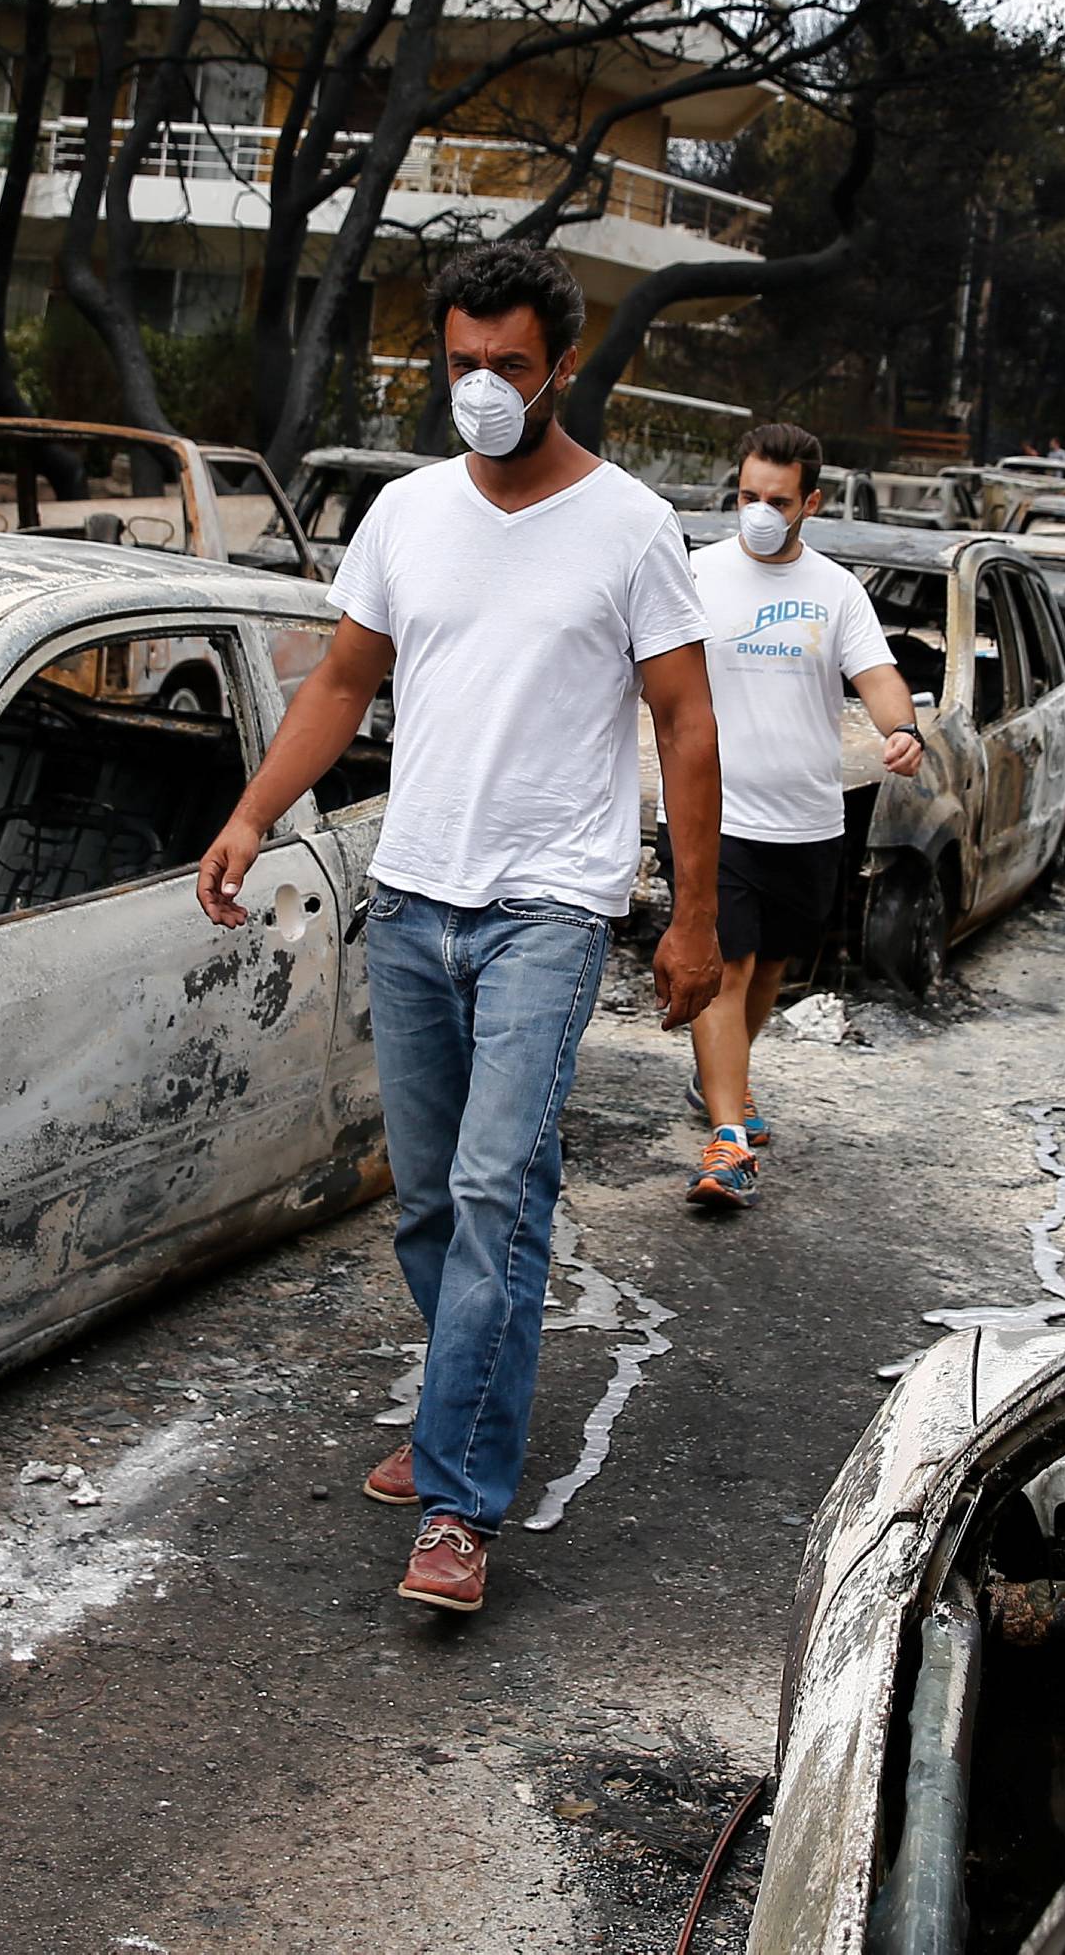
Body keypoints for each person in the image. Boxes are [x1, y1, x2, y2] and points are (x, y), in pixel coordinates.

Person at [195, 241, 722, 1615]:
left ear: (560, 363)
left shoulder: (631, 527)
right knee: (427, 1198)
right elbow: (342, 681)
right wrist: (253, 812)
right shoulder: (407, 512)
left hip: (551, 906)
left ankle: (459, 1501)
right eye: (460, 362)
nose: (480, 386)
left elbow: (684, 722)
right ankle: (459, 1405)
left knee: (499, 1190)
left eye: (507, 364)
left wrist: (693, 916)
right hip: (414, 891)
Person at [658, 424, 924, 1208]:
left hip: (807, 819)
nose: (760, 512)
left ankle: (721, 1085)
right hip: (714, 813)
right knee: (726, 965)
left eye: (778, 500)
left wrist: (902, 729)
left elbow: (876, 675)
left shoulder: (836, 589)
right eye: (748, 497)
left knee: (769, 967)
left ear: (811, 501)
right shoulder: (694, 574)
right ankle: (729, 1141)